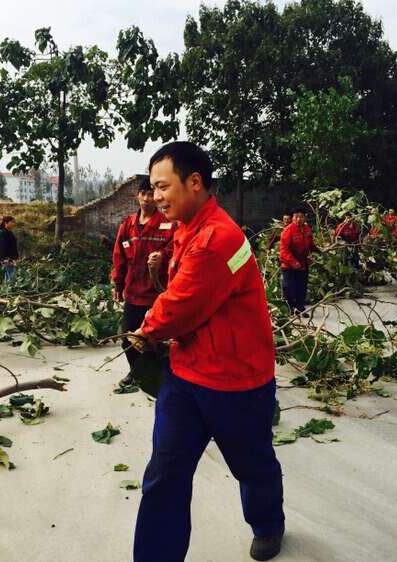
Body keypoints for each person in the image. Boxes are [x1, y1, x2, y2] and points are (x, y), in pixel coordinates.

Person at [130, 142, 285, 562]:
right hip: (186, 375)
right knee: (164, 474)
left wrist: (145, 328)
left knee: (252, 466)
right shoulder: (187, 229)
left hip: (235, 381)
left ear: (194, 182)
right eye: (153, 188)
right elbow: (186, 294)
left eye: (163, 186)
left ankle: (269, 523)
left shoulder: (218, 238)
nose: (157, 196)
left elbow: (180, 307)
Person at [111, 176, 176, 387]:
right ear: (138, 196)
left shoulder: (167, 224)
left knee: (153, 339)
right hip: (133, 292)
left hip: (156, 294)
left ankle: (156, 376)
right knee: (127, 339)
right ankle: (135, 372)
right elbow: (119, 256)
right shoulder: (127, 225)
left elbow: (175, 248)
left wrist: (163, 257)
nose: (147, 198)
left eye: (151, 194)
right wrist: (117, 283)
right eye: (144, 194)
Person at [279, 208, 318, 314]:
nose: (298, 219)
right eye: (296, 217)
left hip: (303, 264)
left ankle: (300, 308)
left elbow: (310, 244)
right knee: (289, 287)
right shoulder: (288, 231)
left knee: (302, 287)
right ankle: (290, 308)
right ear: (293, 218)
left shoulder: (307, 229)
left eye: (301, 217)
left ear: (305, 218)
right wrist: (294, 262)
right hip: (288, 265)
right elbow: (283, 251)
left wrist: (318, 251)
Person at [0, 216, 18, 283]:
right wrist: (5, 258)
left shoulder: (10, 233)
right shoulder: (3, 233)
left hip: (12, 259)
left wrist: (15, 258)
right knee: (9, 278)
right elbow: (2, 247)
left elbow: (13, 247)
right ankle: (7, 292)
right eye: (12, 222)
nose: (13, 224)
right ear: (6, 223)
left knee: (11, 277)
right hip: (7, 259)